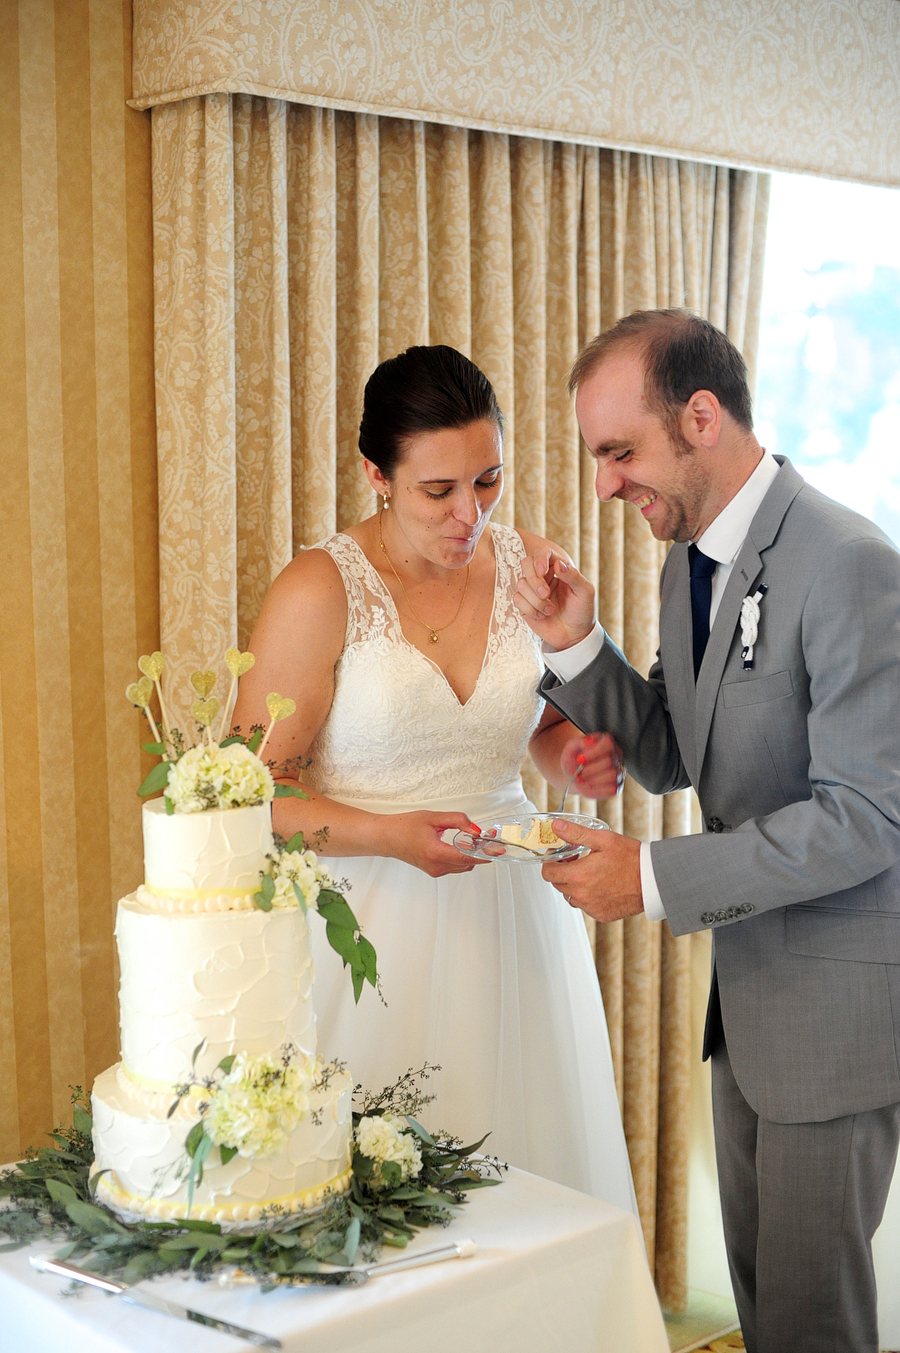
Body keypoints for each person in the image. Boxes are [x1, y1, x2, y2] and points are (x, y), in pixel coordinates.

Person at [514, 308, 900, 1352]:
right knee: (769, 1309)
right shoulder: (687, 562)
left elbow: (872, 819)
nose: (604, 484)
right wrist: (576, 643)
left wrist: (649, 876)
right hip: (749, 1013)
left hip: (836, 1017)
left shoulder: (850, 563)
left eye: (618, 452)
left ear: (700, 417)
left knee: (817, 1324)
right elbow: (675, 752)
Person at [232, 344, 637, 1216]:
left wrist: (576, 758)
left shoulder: (533, 568)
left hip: (509, 919)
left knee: (523, 1189)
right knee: (371, 1202)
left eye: (487, 481)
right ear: (377, 474)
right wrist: (390, 834)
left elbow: (542, 726)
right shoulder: (318, 590)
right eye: (438, 491)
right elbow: (253, 791)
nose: (470, 515)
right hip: (364, 923)